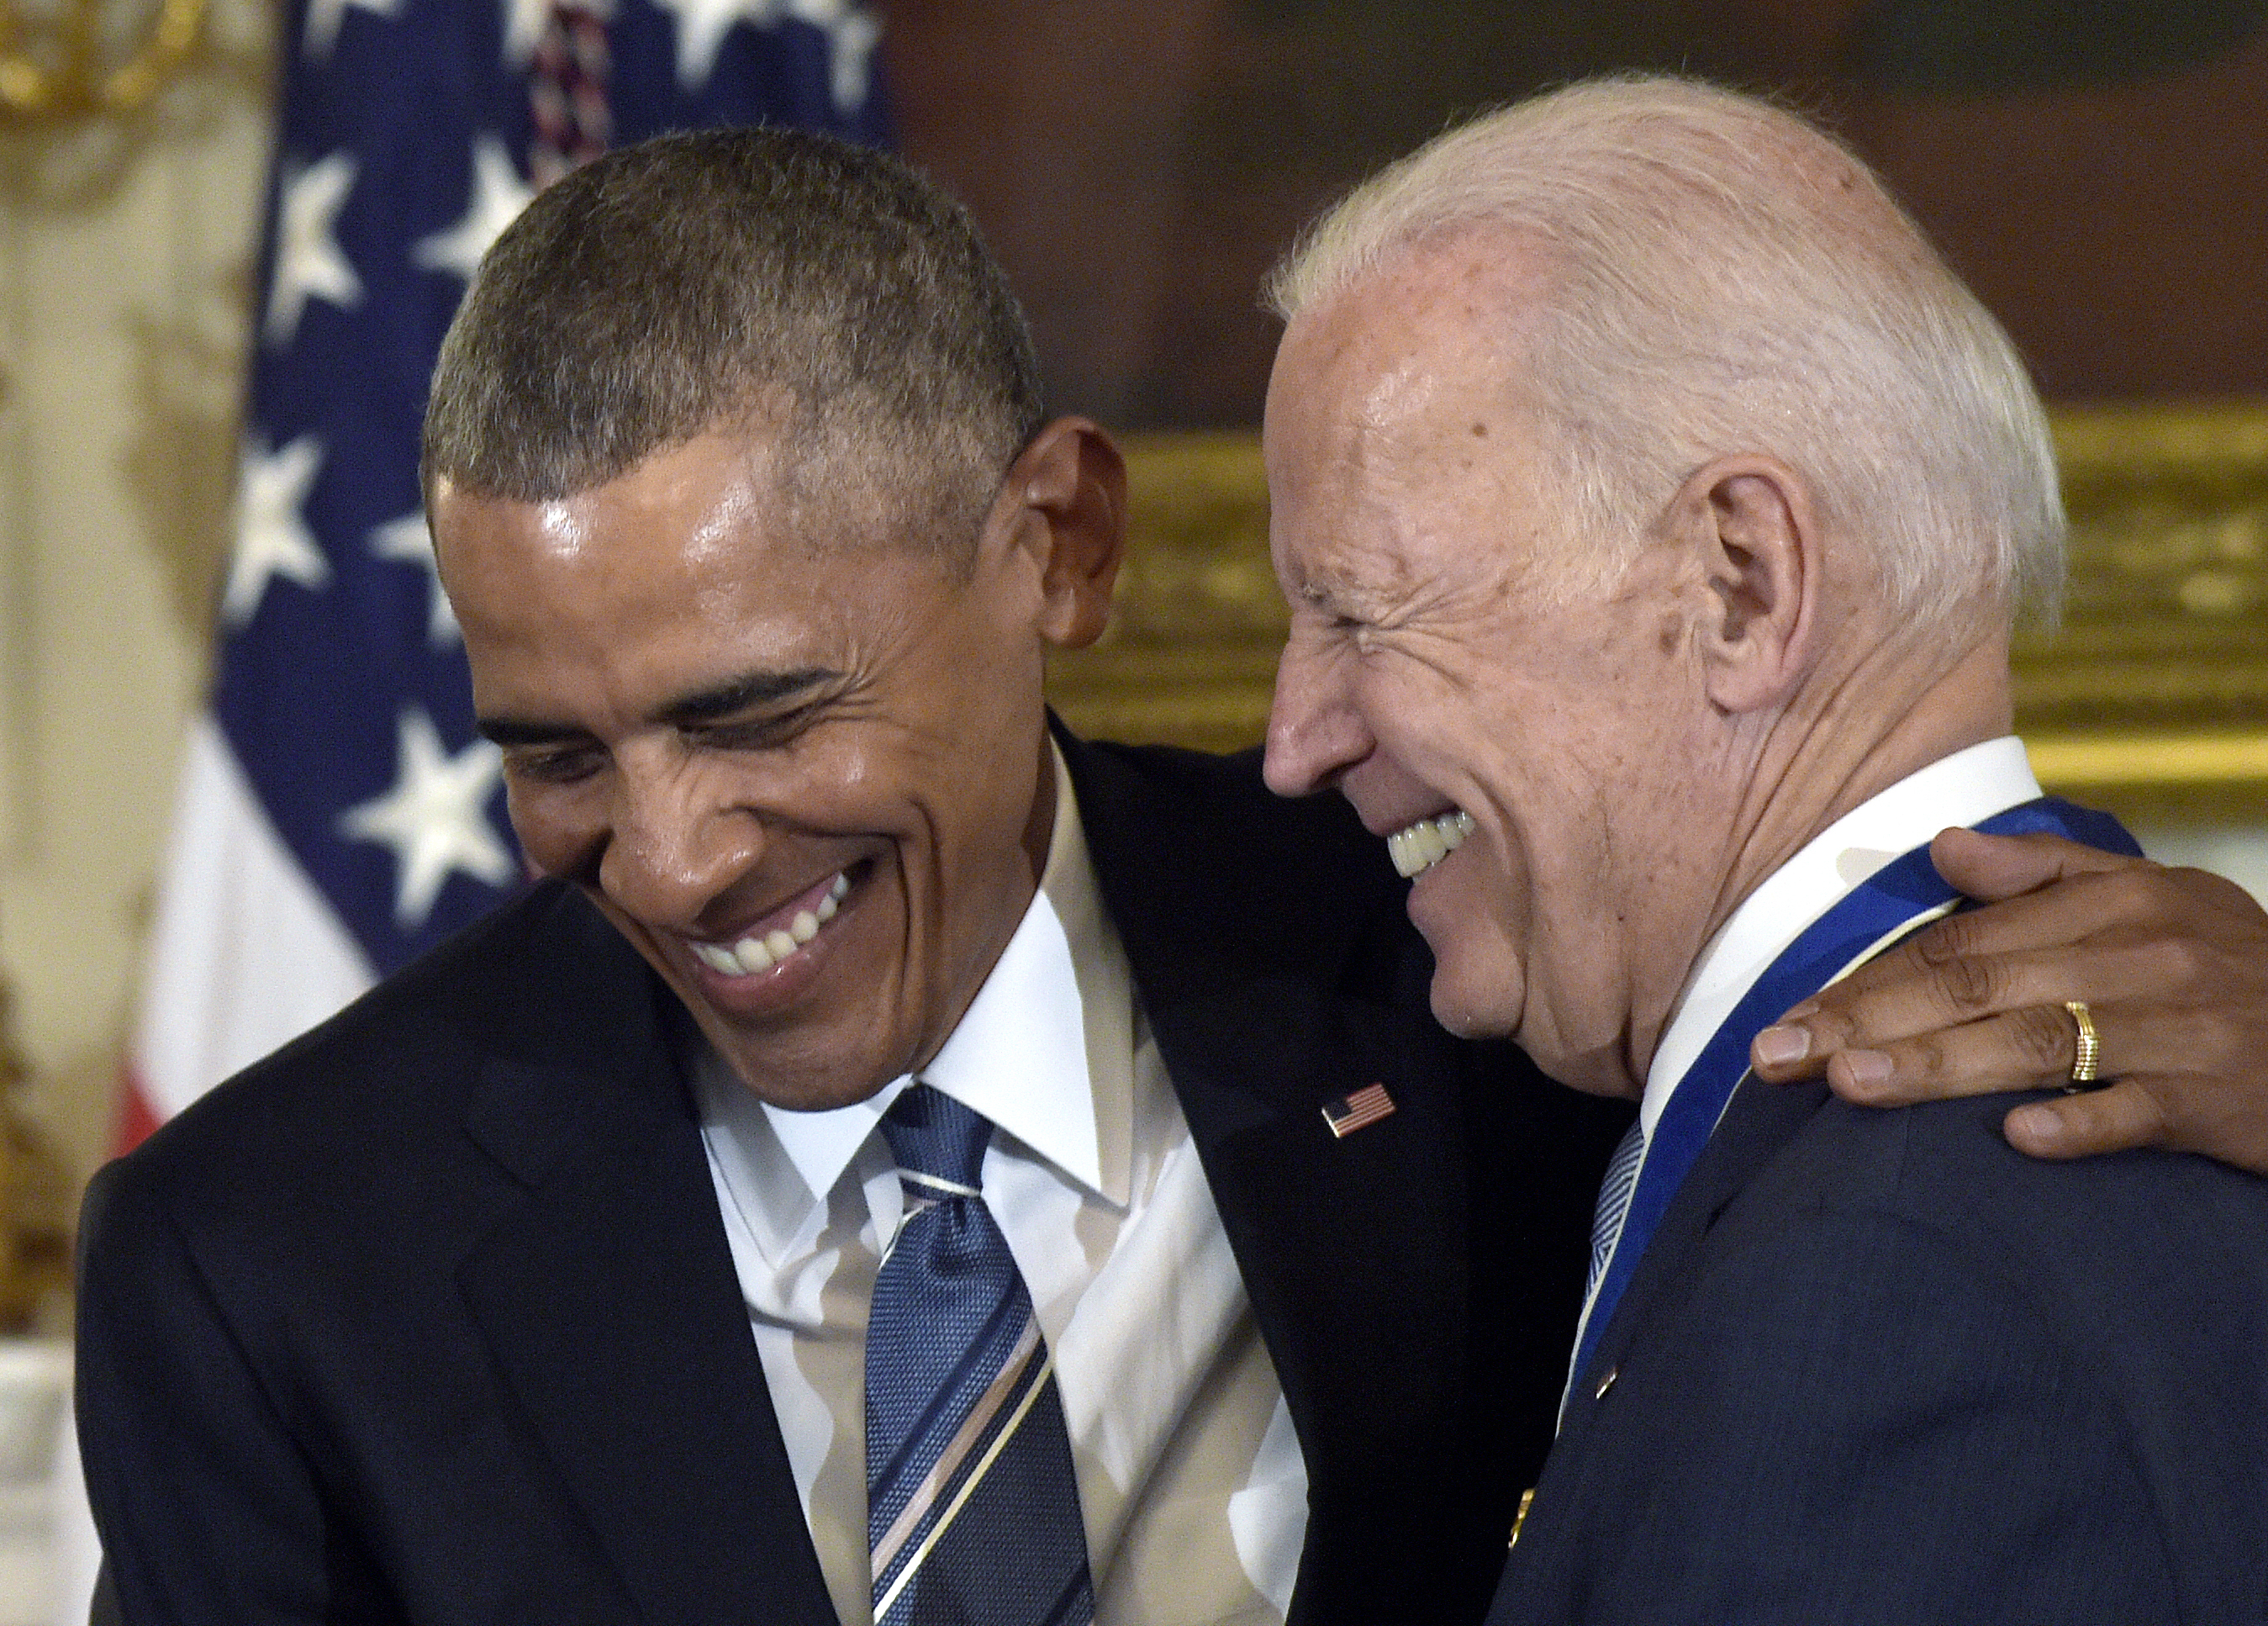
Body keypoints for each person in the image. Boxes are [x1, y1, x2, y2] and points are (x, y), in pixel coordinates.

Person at [74, 125, 2268, 1626]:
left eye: (756, 713)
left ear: (1059, 544)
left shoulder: (1463, 964)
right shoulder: (267, 1264)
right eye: (554, 752)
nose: (661, 853)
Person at [1256, 76, 2268, 1624]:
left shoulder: (1891, 1289)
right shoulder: (2089, 1130)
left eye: (1359, 610)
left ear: (1741, 580)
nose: (1295, 736)